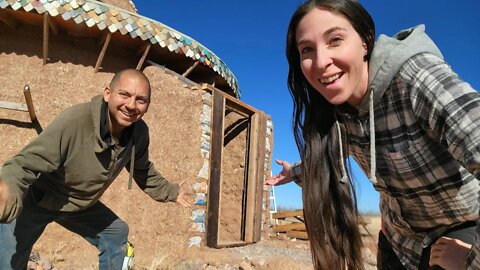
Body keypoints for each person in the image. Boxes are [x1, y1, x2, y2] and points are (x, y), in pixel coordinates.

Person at [265, 0, 480, 269]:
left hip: (457, 233)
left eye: (335, 40)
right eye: (307, 49)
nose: (320, 62)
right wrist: (295, 173)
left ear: (366, 41)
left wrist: (473, 260)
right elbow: (330, 158)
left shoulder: (416, 77)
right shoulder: (336, 113)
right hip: (398, 241)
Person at [0, 69, 190, 269]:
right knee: (8, 264)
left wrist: (172, 192)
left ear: (147, 106)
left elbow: (142, 170)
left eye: (141, 100)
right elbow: (25, 162)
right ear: (108, 93)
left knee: (116, 233)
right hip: (38, 201)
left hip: (80, 205)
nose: (131, 105)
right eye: (124, 94)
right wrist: (9, 187)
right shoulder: (75, 122)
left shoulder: (139, 133)